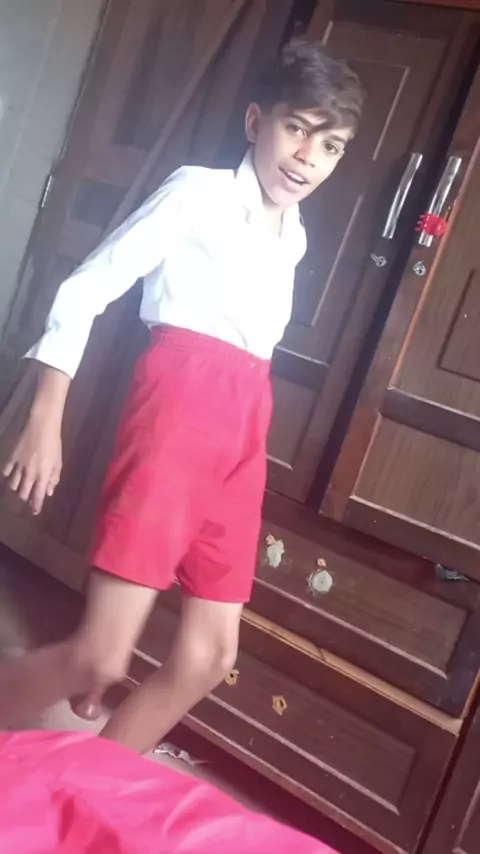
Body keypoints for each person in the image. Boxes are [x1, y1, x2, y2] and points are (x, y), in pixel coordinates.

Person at [0, 40, 364, 754]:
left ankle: (83, 789)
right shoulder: (199, 193)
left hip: (245, 427)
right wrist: (45, 416)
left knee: (208, 657)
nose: (307, 158)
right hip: (178, 409)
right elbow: (86, 287)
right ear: (257, 122)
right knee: (99, 659)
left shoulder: (294, 236)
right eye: (296, 128)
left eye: (331, 146)